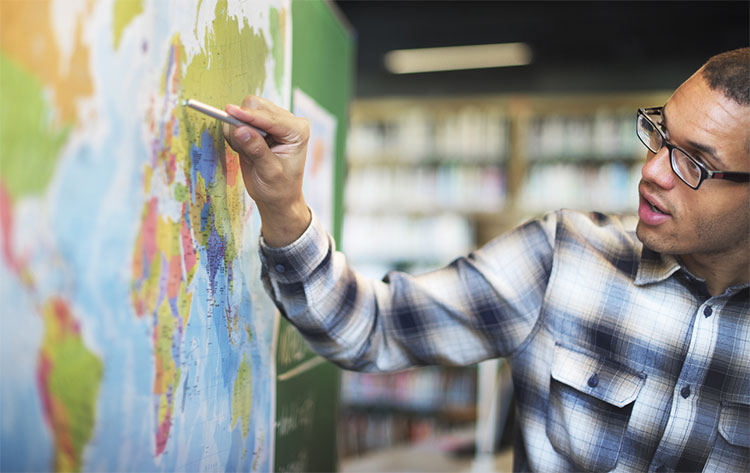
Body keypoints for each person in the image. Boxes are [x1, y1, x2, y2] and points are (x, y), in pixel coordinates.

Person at [223, 48, 749, 472]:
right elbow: (371, 326)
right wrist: (284, 207)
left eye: (695, 163)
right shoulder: (565, 255)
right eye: (660, 135)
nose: (653, 171)